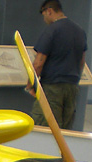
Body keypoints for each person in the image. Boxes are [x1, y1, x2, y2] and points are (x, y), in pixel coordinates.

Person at [28, 0, 87, 130]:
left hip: (52, 87)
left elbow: (39, 63)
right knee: (65, 130)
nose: (44, 19)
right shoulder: (80, 31)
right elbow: (82, 61)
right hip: (72, 87)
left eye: (43, 14)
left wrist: (31, 84)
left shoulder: (52, 30)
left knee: (45, 128)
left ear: (49, 11)